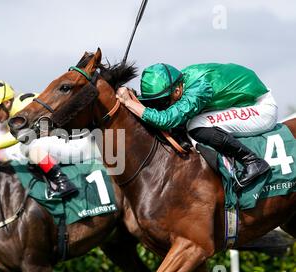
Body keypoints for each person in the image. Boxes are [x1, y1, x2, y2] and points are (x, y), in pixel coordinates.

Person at [116, 63, 276, 189]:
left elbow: (165, 120)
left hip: (261, 108)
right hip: (241, 102)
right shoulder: (178, 82)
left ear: (177, 90)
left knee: (195, 125)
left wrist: (129, 103)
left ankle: (252, 161)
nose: (159, 106)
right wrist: (130, 94)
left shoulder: (199, 89)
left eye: (161, 102)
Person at [0, 80, 80, 198]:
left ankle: (62, 182)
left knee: (29, 147)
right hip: (67, 141)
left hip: (79, 141)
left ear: (6, 103)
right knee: (13, 151)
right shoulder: (18, 109)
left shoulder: (24, 106)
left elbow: (21, 134)